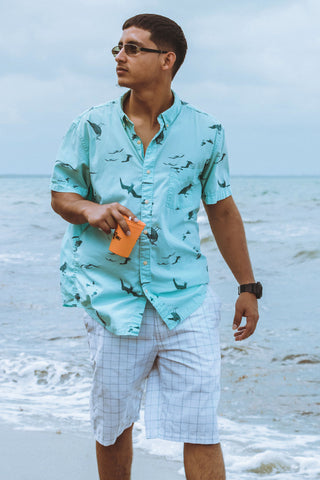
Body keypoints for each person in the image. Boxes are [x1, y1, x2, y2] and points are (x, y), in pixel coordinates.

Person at [50, 13, 261, 480]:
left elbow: (222, 211)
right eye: (118, 48)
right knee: (113, 425)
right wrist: (91, 211)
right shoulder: (91, 125)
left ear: (167, 60)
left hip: (185, 299)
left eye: (132, 48)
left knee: (201, 426)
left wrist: (248, 285)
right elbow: (62, 195)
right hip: (111, 299)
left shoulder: (207, 131)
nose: (119, 56)